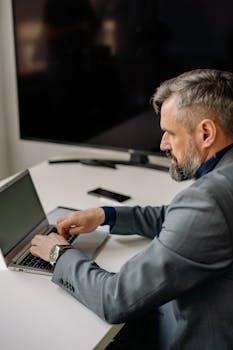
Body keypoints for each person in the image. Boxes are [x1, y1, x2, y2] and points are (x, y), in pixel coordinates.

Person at [30, 69, 233, 349]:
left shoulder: (210, 199)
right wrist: (106, 215)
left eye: (169, 133)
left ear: (206, 133)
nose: (163, 144)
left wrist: (58, 253)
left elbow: (115, 298)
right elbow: (178, 218)